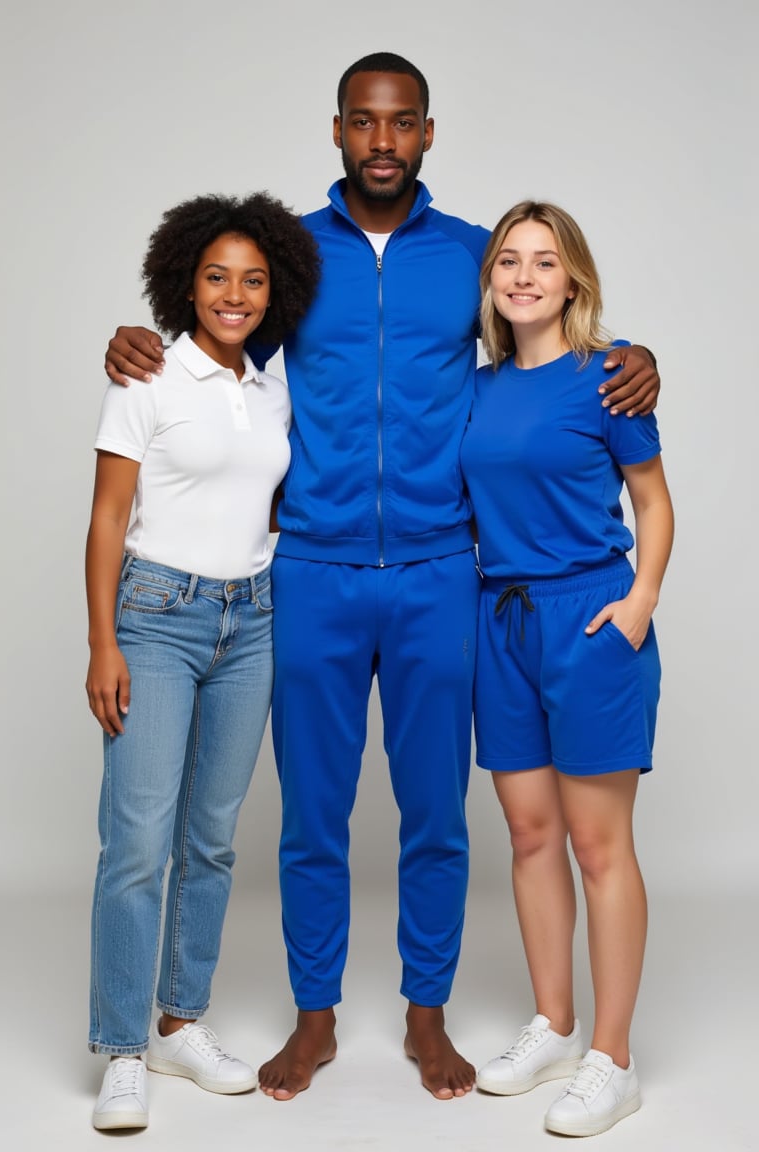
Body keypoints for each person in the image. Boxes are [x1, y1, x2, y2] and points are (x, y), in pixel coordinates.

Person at [102, 54, 662, 1101]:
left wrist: (639, 360)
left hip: (443, 574)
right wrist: (140, 336)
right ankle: (314, 1019)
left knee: (435, 813)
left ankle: (427, 1015)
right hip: (309, 572)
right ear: (337, 132)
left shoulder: (470, 257)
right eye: (364, 123)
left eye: (401, 124)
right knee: (312, 814)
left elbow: (547, 348)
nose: (383, 142)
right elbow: (215, 336)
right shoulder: (291, 256)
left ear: (429, 135)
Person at [85, 193, 319, 1130]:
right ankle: (121, 1049)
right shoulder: (145, 377)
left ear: (277, 292)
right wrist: (103, 639)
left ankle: (182, 1023)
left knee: (213, 837)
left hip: (252, 623)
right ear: (186, 282)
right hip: (154, 618)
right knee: (138, 842)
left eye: (254, 280)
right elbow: (108, 518)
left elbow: (266, 503)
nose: (235, 294)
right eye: (217, 277)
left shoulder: (272, 386)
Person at [461, 201, 673, 1135]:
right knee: (531, 835)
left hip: (587, 623)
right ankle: (554, 1021)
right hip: (498, 622)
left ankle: (612, 1057)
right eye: (509, 260)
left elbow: (653, 503)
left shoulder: (611, 378)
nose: (523, 276)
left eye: (544, 262)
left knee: (598, 846)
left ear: (572, 280)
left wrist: (639, 606)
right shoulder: (478, 386)